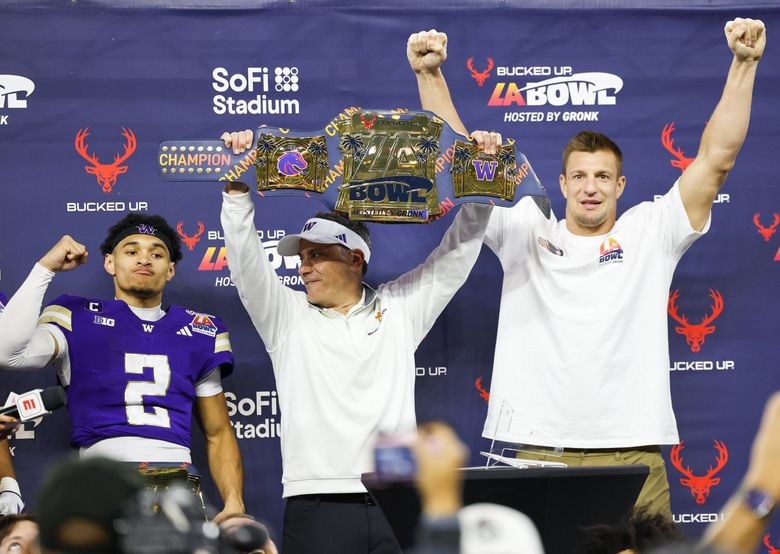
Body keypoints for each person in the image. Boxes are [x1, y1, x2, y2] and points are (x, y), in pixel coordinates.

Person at [407, 17, 766, 518]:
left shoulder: (652, 231)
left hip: (633, 455)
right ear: (562, 183)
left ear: (620, 186)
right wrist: (430, 76)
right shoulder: (524, 228)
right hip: (536, 454)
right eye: (579, 176)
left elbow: (717, 158)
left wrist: (744, 65)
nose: (590, 186)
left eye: (602, 176)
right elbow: (456, 158)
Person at [220, 128, 501, 554]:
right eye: (302, 257)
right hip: (316, 500)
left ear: (355, 259)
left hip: (399, 495)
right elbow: (245, 265)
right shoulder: (286, 316)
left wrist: (482, 180)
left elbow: (457, 255)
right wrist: (238, 188)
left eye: (317, 255)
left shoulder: (401, 308)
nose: (304, 267)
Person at [0, 214, 244, 521]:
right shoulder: (76, 315)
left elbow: (218, 432)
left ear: (170, 270)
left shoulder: (201, 330)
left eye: (157, 253)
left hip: (177, 478)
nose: (144, 258)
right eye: (131, 251)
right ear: (109, 263)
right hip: (102, 477)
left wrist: (234, 502)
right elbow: (8, 353)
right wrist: (45, 268)